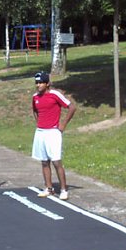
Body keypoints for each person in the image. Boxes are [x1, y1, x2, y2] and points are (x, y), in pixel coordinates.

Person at [31, 71, 76, 200]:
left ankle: (63, 189)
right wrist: (38, 123)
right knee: (44, 162)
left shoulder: (55, 95)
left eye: (41, 83)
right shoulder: (35, 97)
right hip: (40, 132)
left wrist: (63, 124)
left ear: (47, 83)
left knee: (56, 162)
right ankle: (48, 188)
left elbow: (71, 107)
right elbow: (34, 110)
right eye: (37, 83)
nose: (38, 85)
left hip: (53, 132)